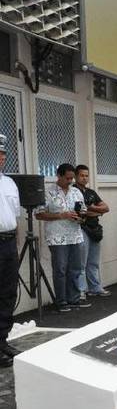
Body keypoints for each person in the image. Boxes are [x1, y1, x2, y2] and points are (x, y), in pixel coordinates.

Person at [35, 163, 90, 312]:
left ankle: (74, 298)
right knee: (60, 269)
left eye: (72, 178)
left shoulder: (76, 192)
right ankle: (61, 301)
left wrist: (80, 217)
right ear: (58, 176)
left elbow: (84, 212)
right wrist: (62, 215)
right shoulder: (48, 192)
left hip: (75, 235)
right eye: (67, 178)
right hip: (57, 237)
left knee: (75, 268)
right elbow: (39, 214)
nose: (70, 181)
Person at [73, 164, 110, 298]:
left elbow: (106, 208)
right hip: (81, 229)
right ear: (76, 176)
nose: (84, 178)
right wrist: (95, 210)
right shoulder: (73, 192)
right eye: (82, 175)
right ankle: (81, 291)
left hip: (95, 230)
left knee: (93, 262)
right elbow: (80, 212)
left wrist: (92, 209)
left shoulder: (91, 192)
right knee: (81, 263)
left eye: (86, 175)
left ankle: (95, 288)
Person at [0, 134, 21, 366]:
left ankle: (2, 339)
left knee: (7, 293)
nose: (1, 158)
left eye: (3, 155)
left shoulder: (9, 183)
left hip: (7, 243)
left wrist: (15, 244)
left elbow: (14, 217)